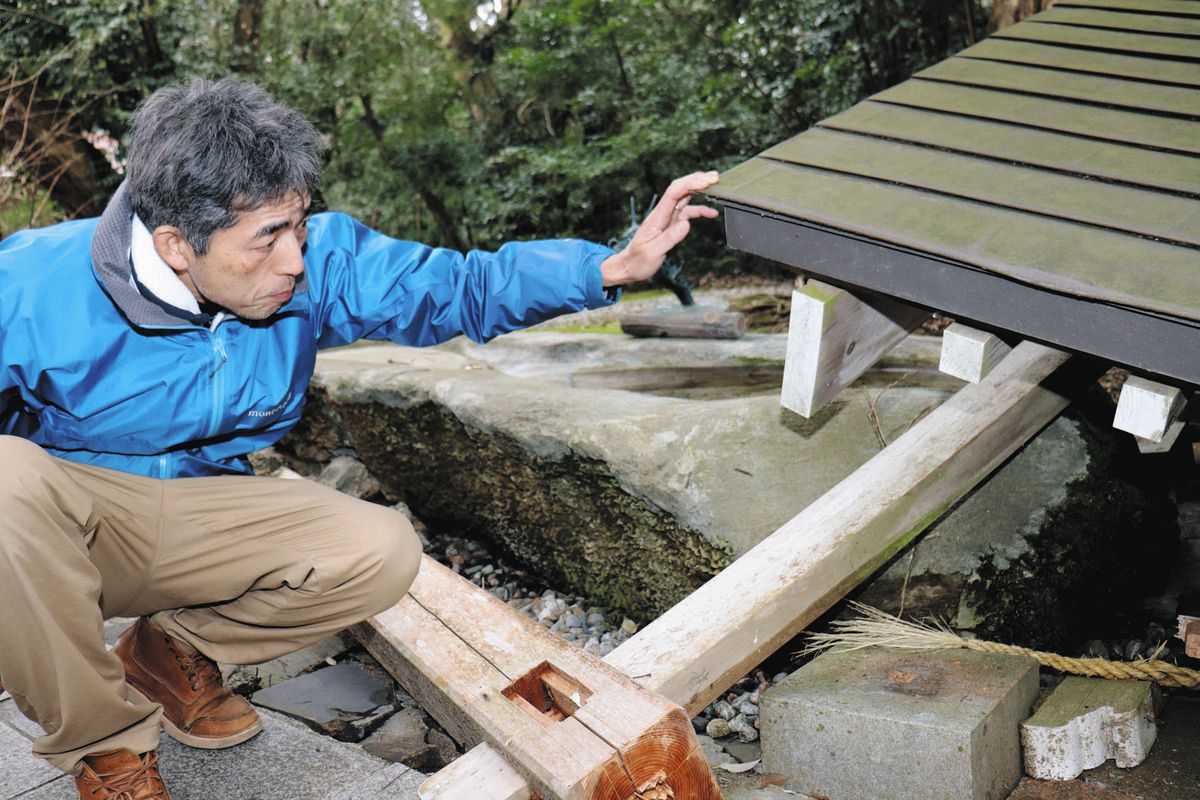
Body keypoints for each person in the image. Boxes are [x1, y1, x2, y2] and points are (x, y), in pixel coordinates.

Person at [0, 77, 718, 800]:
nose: (295, 262)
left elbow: (457, 286)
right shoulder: (32, 283)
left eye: (300, 226)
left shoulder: (317, 265)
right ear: (177, 247)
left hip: (201, 515)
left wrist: (606, 268)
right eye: (268, 239)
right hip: (72, 527)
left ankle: (169, 653)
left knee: (382, 550)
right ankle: (106, 750)